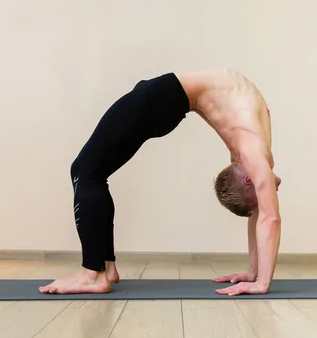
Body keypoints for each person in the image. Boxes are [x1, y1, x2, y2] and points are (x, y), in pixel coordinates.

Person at [39, 70, 282, 296]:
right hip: (164, 98)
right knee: (91, 171)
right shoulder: (255, 154)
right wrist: (258, 279)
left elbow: (264, 216)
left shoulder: (252, 153)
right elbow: (266, 217)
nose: (272, 191)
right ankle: (103, 267)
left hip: (163, 98)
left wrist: (258, 278)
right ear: (249, 179)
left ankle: (93, 273)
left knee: (86, 170)